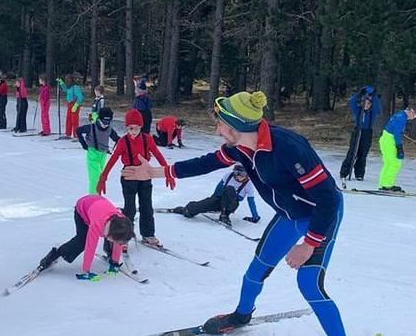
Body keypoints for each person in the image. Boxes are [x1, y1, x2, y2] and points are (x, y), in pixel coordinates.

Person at [121, 91, 346, 336]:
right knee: (255, 271)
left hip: (321, 216)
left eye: (220, 124)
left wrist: (309, 244)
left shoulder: (288, 147)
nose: (217, 130)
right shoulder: (240, 147)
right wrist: (156, 172)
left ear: (235, 126)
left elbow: (329, 199)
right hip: (289, 214)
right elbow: (206, 163)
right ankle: (241, 316)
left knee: (309, 285)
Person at [97, 109, 170, 247]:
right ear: (126, 128)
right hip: (129, 176)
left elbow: (157, 153)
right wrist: (103, 177)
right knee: (129, 208)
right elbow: (113, 159)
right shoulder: (123, 141)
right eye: (131, 128)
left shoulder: (147, 138)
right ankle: (124, 235)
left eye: (137, 128)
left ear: (141, 127)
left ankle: (148, 234)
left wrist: (166, 171)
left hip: (144, 175)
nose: (134, 131)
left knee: (146, 206)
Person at [37, 195, 134, 281]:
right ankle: (56, 253)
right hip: (82, 209)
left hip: (98, 206)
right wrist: (86, 271)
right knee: (82, 240)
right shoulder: (98, 224)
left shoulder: (121, 224)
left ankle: (110, 253)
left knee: (116, 239)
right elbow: (90, 246)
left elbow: (119, 242)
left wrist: (115, 262)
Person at [170, 163, 260, 225]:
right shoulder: (229, 176)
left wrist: (255, 216)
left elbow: (251, 201)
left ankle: (225, 215)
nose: (239, 176)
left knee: (230, 189)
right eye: (237, 172)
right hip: (220, 201)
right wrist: (211, 201)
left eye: (242, 173)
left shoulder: (248, 185)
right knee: (204, 204)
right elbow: (219, 188)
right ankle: (187, 210)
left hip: (232, 205)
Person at [339, 85, 380, 182]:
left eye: (369, 103)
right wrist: (362, 92)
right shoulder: (358, 111)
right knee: (353, 152)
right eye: (365, 103)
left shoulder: (372, 112)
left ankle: (359, 173)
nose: (366, 105)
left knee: (363, 154)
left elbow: (377, 104)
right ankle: (344, 172)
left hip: (367, 133)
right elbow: (352, 101)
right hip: (357, 131)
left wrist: (372, 94)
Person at [76, 107, 120, 194]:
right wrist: (84, 144)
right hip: (93, 153)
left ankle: (98, 197)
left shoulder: (109, 129)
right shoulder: (91, 127)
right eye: (104, 121)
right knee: (94, 178)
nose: (105, 124)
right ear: (99, 119)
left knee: (100, 177)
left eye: (108, 122)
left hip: (103, 155)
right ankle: (93, 198)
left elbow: (117, 138)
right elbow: (78, 130)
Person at [378, 106, 416, 192]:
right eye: (415, 116)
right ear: (411, 111)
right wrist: (399, 147)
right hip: (389, 140)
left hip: (386, 138)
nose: (413, 118)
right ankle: (387, 185)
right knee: (395, 163)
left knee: (388, 163)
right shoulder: (402, 118)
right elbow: (397, 134)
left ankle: (383, 183)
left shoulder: (400, 114)